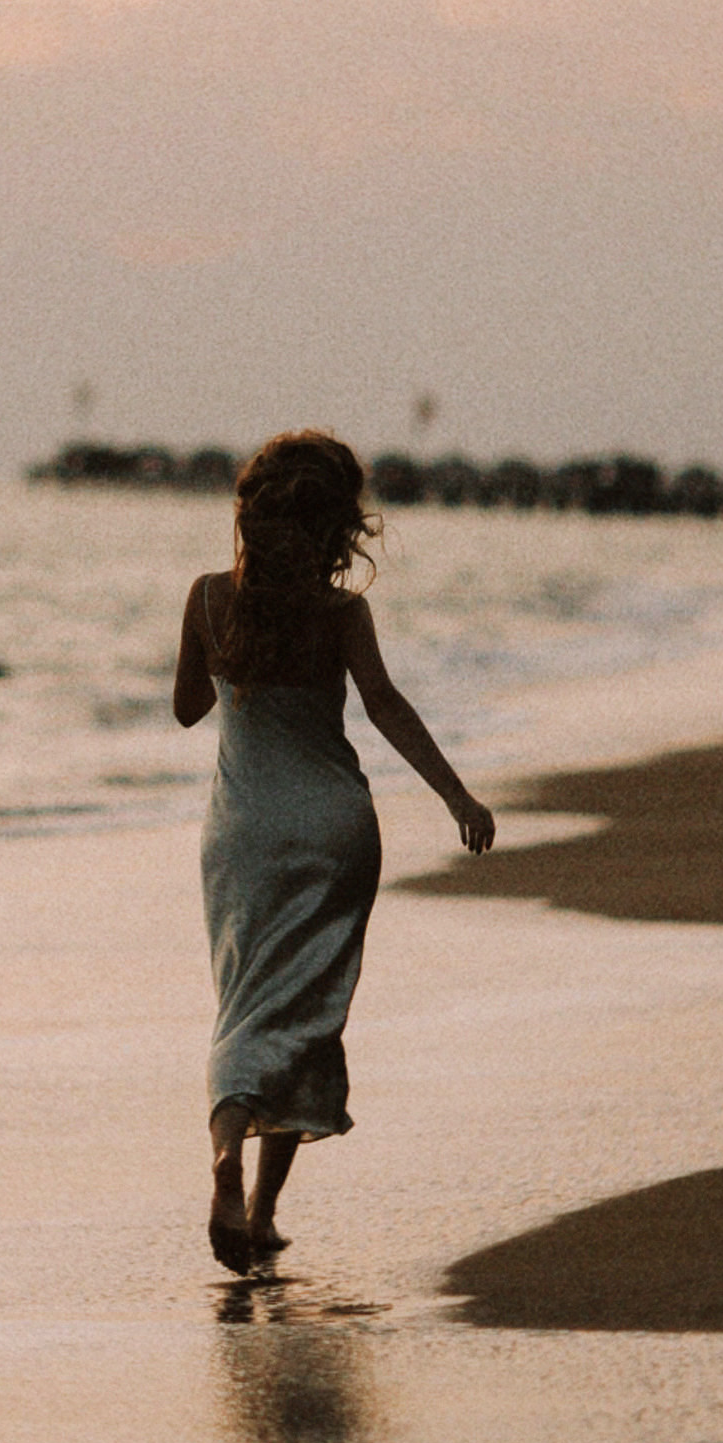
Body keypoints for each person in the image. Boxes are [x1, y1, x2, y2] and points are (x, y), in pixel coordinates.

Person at [172, 430, 496, 1274]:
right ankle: (264, 1210)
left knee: (245, 1005)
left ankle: (227, 1156)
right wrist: (456, 796)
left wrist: (229, 654)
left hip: (242, 835)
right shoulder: (342, 613)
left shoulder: (207, 598)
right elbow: (385, 706)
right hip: (333, 832)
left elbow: (184, 709)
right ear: (338, 526)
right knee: (309, 1012)